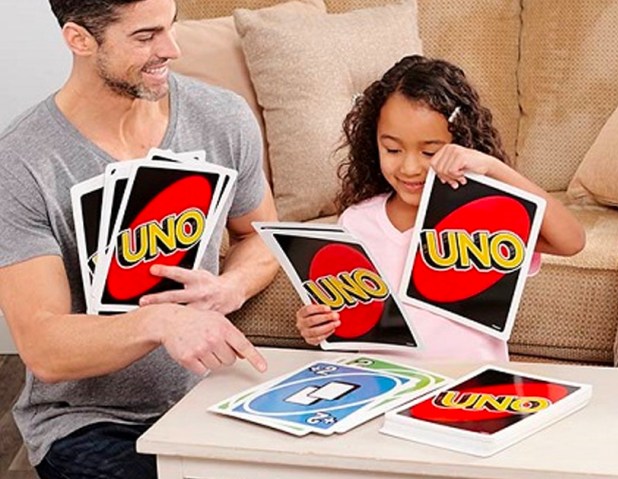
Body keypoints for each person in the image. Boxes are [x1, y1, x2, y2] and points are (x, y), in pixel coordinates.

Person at [0, 0, 280, 477]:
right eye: (145, 36)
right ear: (80, 40)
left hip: (209, 396)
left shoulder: (223, 118)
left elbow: (259, 238)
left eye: (172, 27)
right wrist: (162, 323)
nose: (171, 49)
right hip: (89, 423)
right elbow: (44, 347)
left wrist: (231, 286)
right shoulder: (22, 162)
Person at [295, 55, 586, 361]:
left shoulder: (486, 215)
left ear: (460, 143)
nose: (410, 167)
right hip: (385, 386)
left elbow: (571, 240)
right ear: (373, 142)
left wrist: (491, 167)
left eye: (430, 151)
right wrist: (316, 324)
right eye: (392, 149)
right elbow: (341, 315)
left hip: (468, 389)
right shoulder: (356, 222)